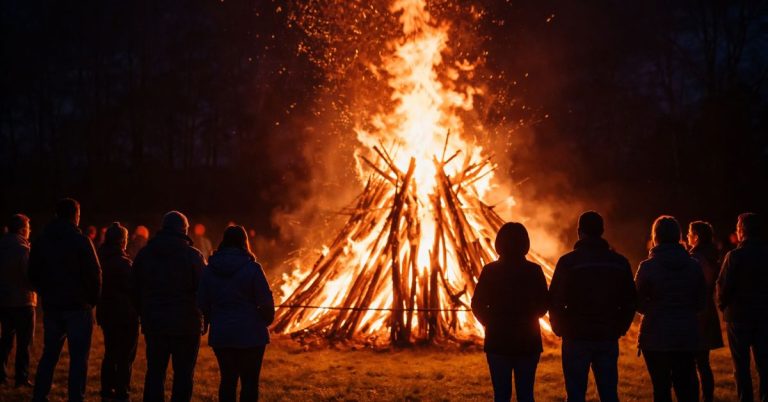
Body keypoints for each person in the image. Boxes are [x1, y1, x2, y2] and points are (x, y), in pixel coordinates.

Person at [549, 211, 637, 402]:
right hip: (606, 335)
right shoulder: (618, 262)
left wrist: (559, 327)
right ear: (602, 231)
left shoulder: (568, 262)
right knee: (609, 393)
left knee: (575, 394)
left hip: (575, 336)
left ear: (579, 232)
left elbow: (555, 298)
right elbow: (630, 300)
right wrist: (620, 327)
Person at [29, 198, 102, 402]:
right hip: (78, 307)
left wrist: (45, 292)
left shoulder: (42, 241)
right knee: (79, 359)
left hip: (53, 306)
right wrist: (91, 300)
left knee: (49, 354)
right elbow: (95, 273)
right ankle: (75, 397)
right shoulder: (80, 241)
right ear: (75, 215)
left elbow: (32, 272)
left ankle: (39, 395)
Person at [471, 222, 549, 402]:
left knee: (501, 395)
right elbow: (544, 304)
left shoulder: (491, 270)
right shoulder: (534, 270)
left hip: (498, 341)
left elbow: (477, 304)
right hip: (528, 341)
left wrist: (489, 322)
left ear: (499, 243)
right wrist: (530, 317)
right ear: (525, 243)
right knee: (526, 395)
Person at [133, 211, 205, 402]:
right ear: (184, 230)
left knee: (155, 373)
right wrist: (204, 317)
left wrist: (143, 313)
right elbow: (205, 290)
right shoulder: (193, 256)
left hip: (155, 323)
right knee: (183, 375)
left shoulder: (145, 254)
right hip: (186, 325)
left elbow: (134, 287)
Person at [198, 226, 275, 402]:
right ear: (244, 242)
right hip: (252, 335)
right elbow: (265, 300)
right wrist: (265, 320)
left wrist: (209, 321)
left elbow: (202, 301)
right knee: (249, 383)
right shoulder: (253, 268)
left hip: (222, 334)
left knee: (227, 381)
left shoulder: (210, 269)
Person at [635, 215, 706, 402]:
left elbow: (637, 302)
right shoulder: (693, 267)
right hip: (686, 334)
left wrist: (652, 308)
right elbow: (701, 302)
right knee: (686, 386)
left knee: (661, 388)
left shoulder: (647, 267)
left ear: (655, 236)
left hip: (655, 336)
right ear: (678, 236)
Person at [717, 212, 768, 402]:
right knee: (764, 364)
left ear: (742, 231)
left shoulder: (735, 256)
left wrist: (724, 306)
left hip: (739, 317)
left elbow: (723, 286)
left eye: (738, 227)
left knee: (741, 366)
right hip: (764, 316)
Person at [97, 222, 139, 402]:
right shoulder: (123, 263)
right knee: (125, 357)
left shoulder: (99, 259)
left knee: (110, 353)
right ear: (123, 241)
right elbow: (134, 288)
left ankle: (107, 390)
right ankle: (122, 392)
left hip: (106, 313)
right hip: (125, 316)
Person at [686, 221, 724, 402]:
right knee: (703, 362)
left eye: (689, 233)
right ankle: (707, 397)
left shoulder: (696, 258)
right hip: (707, 310)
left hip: (696, 312)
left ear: (697, 237)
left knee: (693, 361)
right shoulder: (711, 256)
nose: (687, 237)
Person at [0, 214, 36, 388]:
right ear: (22, 230)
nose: (30, 231)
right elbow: (30, 276)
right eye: (29, 228)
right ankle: (21, 377)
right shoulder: (23, 249)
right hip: (23, 301)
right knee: (24, 342)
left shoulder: (2, 246)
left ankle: (1, 374)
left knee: (5, 339)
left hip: (4, 300)